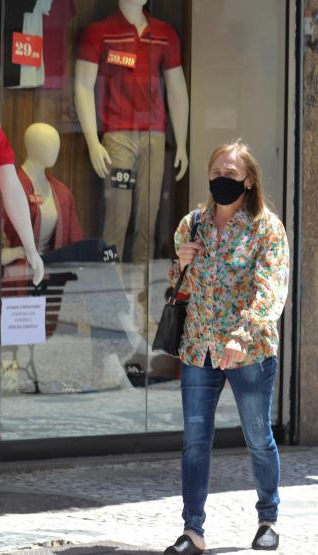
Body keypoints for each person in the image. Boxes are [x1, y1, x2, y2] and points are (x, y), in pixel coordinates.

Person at [164, 141, 289, 555]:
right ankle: (192, 530)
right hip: (198, 347)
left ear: (249, 180)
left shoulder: (265, 228)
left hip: (247, 351)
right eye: (216, 171)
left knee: (258, 437)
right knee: (195, 441)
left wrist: (243, 333)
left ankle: (268, 517)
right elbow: (175, 285)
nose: (222, 179)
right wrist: (180, 264)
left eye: (231, 174)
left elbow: (271, 290)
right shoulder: (191, 224)